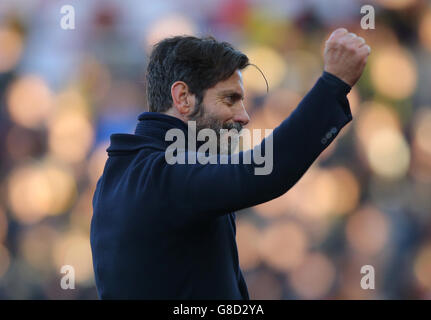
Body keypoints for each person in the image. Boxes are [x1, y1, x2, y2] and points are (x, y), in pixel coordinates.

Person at [90, 28, 370, 299]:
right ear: (183, 98)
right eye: (230, 100)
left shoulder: (129, 173)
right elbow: (261, 172)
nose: (244, 116)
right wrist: (333, 84)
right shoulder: (165, 174)